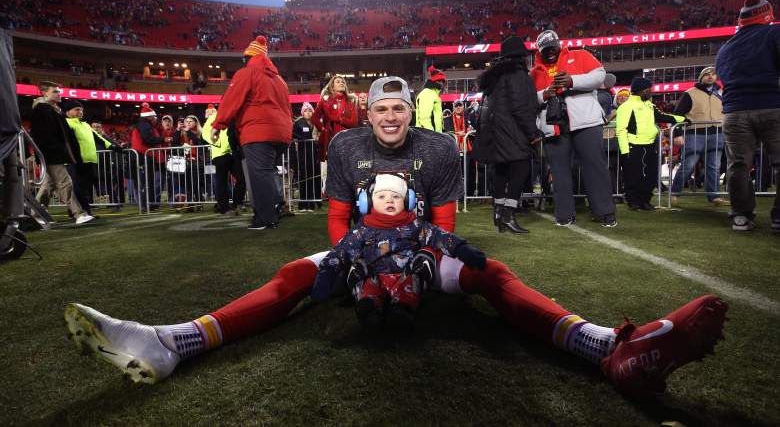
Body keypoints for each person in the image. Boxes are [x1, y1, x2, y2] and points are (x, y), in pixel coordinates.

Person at [65, 76, 728, 399]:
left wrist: (417, 264)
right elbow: (333, 220)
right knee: (296, 276)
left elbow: (443, 225)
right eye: (379, 108)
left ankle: (608, 349)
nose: (387, 117)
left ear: (411, 113)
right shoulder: (345, 144)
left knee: (491, 276)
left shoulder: (439, 149)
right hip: (362, 243)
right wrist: (354, 267)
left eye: (397, 108)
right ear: (368, 113)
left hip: (420, 245)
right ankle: (173, 341)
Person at [311, 172, 486, 332]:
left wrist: (460, 248)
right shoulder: (362, 230)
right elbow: (341, 250)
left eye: (396, 196)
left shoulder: (415, 225)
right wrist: (326, 273)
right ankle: (369, 305)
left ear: (408, 201)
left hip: (406, 276)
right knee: (357, 266)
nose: (389, 200)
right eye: (381, 196)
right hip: (373, 276)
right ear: (368, 202)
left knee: (424, 258)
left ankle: (402, 309)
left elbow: (438, 236)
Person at [530, 30, 617, 228]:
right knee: (559, 171)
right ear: (539, 51)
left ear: (559, 45)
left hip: (585, 121)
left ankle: (605, 212)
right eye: (545, 50)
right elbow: (528, 100)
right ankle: (564, 214)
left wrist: (572, 81)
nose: (550, 53)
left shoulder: (580, 55)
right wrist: (545, 93)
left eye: (552, 48)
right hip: (553, 126)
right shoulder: (534, 72)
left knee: (595, 167)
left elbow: (599, 76)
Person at [211, 36, 292, 230]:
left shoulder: (247, 73)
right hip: (281, 133)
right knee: (268, 172)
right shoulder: (280, 80)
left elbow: (232, 99)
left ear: (248, 57)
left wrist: (218, 123)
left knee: (260, 175)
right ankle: (276, 208)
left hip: (258, 131)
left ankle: (265, 218)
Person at [714, 0, 780, 231]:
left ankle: (740, 214)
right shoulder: (774, 33)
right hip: (773, 105)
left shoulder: (725, 48)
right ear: (767, 15)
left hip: (735, 111)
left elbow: (722, 77)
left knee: (739, 165)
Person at [472, 36, 537, 234]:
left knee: (500, 171)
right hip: (511, 131)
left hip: (496, 134)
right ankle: (508, 215)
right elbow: (520, 107)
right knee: (520, 168)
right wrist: (532, 132)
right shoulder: (517, 75)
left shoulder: (495, 77)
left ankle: (498, 213)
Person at [616, 78, 686, 211]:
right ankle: (633, 201)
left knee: (650, 175)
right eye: (649, 90)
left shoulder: (650, 106)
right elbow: (621, 130)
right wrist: (625, 151)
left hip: (649, 145)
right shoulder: (626, 107)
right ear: (643, 91)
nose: (651, 92)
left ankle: (645, 200)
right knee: (632, 175)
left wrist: (684, 119)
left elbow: (664, 116)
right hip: (632, 146)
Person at [30, 81, 94, 224]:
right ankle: (79, 214)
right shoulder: (42, 109)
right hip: (51, 153)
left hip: (54, 153)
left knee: (48, 185)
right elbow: (41, 135)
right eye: (55, 91)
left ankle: (35, 214)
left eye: (59, 91)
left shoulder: (53, 109)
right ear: (45, 93)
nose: (59, 94)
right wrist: (56, 149)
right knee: (65, 182)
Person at [670, 67, 730, 206]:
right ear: (701, 77)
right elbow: (677, 114)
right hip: (694, 133)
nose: (710, 76)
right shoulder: (689, 93)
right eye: (707, 74)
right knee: (688, 165)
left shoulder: (720, 93)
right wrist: (678, 133)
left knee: (714, 166)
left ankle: (714, 196)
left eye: (713, 74)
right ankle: (674, 193)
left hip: (717, 133)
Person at [63, 100, 122, 216]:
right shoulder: (66, 124)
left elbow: (99, 138)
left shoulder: (85, 125)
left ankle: (83, 212)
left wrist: (113, 147)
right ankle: (80, 212)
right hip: (76, 161)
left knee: (85, 189)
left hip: (90, 161)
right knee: (78, 188)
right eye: (77, 109)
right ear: (68, 112)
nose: (80, 112)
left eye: (81, 110)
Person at [203, 104, 245, 215]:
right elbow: (205, 133)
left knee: (242, 178)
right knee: (221, 182)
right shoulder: (213, 117)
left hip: (234, 153)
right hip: (220, 154)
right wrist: (216, 142)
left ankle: (237, 204)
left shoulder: (235, 117)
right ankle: (224, 208)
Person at [130, 103, 169, 211]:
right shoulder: (145, 124)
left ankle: (148, 205)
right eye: (155, 117)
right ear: (150, 116)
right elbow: (148, 139)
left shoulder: (144, 124)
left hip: (144, 156)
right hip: (144, 157)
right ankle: (146, 205)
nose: (156, 119)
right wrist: (163, 139)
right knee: (146, 183)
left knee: (146, 182)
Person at [311, 75, 358, 161]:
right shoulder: (325, 101)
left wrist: (339, 119)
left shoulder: (351, 101)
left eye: (343, 82)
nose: (341, 83)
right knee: (332, 170)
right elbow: (314, 118)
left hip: (346, 141)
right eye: (338, 82)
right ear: (332, 86)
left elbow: (354, 122)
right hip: (330, 141)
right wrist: (322, 129)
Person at [291, 102, 321, 212]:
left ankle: (312, 204)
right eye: (306, 111)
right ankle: (303, 204)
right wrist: (304, 138)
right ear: (302, 112)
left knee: (312, 179)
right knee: (303, 179)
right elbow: (293, 134)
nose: (308, 113)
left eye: (310, 111)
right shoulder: (299, 123)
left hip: (314, 155)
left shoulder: (315, 123)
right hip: (303, 155)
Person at [415, 65, 446, 132]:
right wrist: (432, 136)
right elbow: (424, 118)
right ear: (436, 81)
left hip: (432, 135)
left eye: (443, 82)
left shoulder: (432, 94)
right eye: (441, 81)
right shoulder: (428, 93)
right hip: (428, 136)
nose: (442, 84)